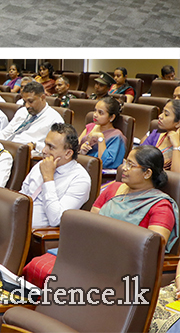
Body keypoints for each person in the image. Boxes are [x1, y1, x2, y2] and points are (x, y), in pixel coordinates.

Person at [24, 145, 179, 290]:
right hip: (92, 249)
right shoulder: (114, 188)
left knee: (60, 278)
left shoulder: (160, 206)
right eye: (125, 162)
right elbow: (92, 223)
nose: (123, 168)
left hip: (122, 263)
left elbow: (155, 247)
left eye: (131, 165)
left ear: (147, 173)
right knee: (37, 265)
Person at [19, 123, 91, 227]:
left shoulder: (80, 179)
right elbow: (23, 195)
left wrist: (48, 179)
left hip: (37, 235)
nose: (44, 151)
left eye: (51, 147)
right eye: (45, 144)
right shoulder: (42, 164)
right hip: (16, 222)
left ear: (68, 154)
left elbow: (56, 219)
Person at [0, 80, 65, 153]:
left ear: (42, 97)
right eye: (25, 102)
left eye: (30, 101)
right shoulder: (22, 111)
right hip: (5, 149)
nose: (27, 106)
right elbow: (6, 132)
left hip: (26, 154)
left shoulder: (55, 119)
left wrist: (35, 145)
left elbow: (56, 147)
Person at [77, 96, 126, 170]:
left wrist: (100, 137)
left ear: (111, 117)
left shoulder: (116, 136)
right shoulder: (91, 126)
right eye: (95, 111)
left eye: (100, 113)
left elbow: (105, 163)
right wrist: (82, 152)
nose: (95, 115)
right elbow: (76, 147)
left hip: (99, 174)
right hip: (82, 166)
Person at [141, 100, 180, 172]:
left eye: (166, 114)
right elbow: (137, 158)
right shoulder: (154, 136)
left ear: (178, 123)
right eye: (162, 112)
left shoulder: (177, 145)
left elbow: (177, 177)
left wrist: (176, 146)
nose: (160, 116)